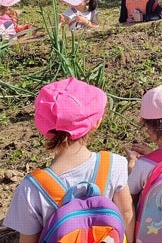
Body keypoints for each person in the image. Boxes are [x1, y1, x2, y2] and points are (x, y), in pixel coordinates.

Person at [3, 78, 135, 242]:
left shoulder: (31, 189)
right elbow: (126, 212)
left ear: (43, 127)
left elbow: (28, 240)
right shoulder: (114, 164)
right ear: (96, 123)